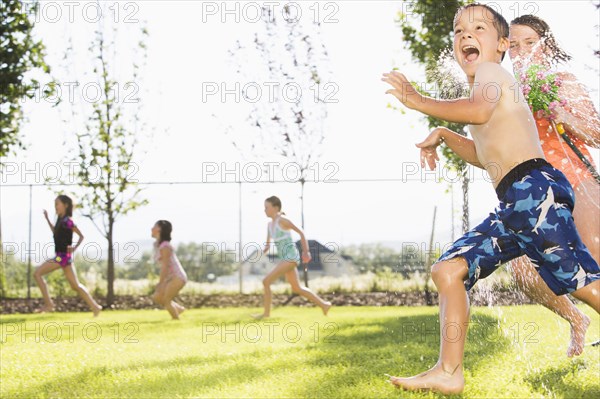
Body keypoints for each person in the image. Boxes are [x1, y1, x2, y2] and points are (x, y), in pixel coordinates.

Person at [381, 3, 600, 394]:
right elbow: (487, 157)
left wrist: (417, 100)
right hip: (515, 200)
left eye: (479, 28)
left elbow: (479, 113)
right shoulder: (483, 86)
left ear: (501, 45)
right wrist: (447, 136)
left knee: (579, 281)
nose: (467, 34)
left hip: (535, 191)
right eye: (459, 29)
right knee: (449, 270)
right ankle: (448, 372)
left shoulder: (492, 73)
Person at [508, 14, 600, 357]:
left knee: (594, 261)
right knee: (524, 273)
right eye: (514, 45)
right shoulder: (505, 91)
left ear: (545, 47)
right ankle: (577, 319)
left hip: (577, 183)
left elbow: (598, 134)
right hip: (532, 189)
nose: (522, 51)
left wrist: (567, 118)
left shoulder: (562, 81)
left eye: (530, 43)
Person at [253, 196, 331, 319]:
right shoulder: (269, 225)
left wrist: (306, 252)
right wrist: (261, 253)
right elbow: (267, 245)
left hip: (291, 257)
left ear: (276, 208)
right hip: (285, 259)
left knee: (266, 281)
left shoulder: (283, 220)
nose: (265, 210)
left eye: (267, 207)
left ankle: (266, 314)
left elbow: (301, 232)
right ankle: (324, 305)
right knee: (297, 288)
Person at [34, 195, 102, 316]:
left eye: (57, 204)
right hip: (64, 258)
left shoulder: (67, 221)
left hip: (62, 257)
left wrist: (74, 248)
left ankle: (49, 304)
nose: (55, 207)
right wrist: (47, 219)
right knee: (75, 286)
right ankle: (95, 307)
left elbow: (81, 236)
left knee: (37, 273)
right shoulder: (60, 220)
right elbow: (55, 232)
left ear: (65, 205)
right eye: (54, 204)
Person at [151, 220, 187, 320]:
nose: (151, 229)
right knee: (157, 296)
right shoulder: (158, 245)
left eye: (154, 226)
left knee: (166, 300)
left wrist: (161, 283)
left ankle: (176, 319)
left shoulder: (165, 246)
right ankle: (178, 309)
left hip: (177, 277)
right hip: (170, 277)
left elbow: (165, 266)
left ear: (159, 229)